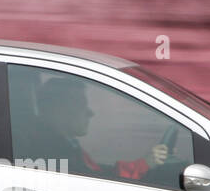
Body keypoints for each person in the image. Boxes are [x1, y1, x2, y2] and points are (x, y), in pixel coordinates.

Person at [22, 76, 168, 182]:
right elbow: (102, 186)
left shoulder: (64, 144)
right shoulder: (51, 151)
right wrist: (142, 165)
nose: (91, 113)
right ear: (58, 110)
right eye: (81, 104)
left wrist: (144, 164)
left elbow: (96, 172)